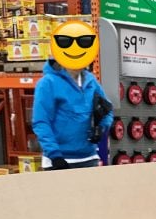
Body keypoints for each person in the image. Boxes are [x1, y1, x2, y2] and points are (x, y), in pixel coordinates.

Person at [32, 21, 114, 170]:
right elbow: (41, 122)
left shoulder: (91, 81)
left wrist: (101, 128)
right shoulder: (48, 83)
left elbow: (108, 110)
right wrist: (55, 155)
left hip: (89, 157)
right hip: (60, 160)